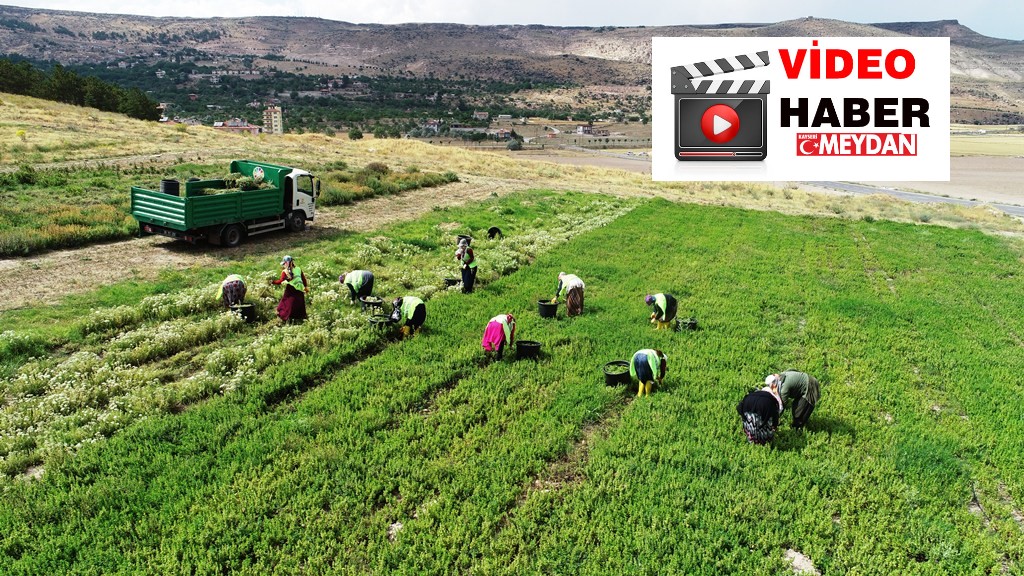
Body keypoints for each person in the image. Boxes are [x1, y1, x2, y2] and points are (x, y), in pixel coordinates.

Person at [737, 381, 783, 445]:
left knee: (751, 425)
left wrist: (744, 418)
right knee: (765, 427)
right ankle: (764, 442)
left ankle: (752, 441)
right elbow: (775, 416)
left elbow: (739, 407)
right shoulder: (772, 401)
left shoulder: (751, 395)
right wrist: (774, 426)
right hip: (763, 407)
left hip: (748, 406)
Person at [271, 255, 308, 323]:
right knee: (299, 303)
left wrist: (272, 282)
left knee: (287, 303)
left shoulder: (285, 271)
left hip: (291, 289)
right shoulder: (298, 269)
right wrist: (305, 287)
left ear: (285, 263)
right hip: (300, 288)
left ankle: (283, 316)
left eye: (284, 263)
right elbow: (303, 279)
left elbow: (280, 281)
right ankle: (299, 317)